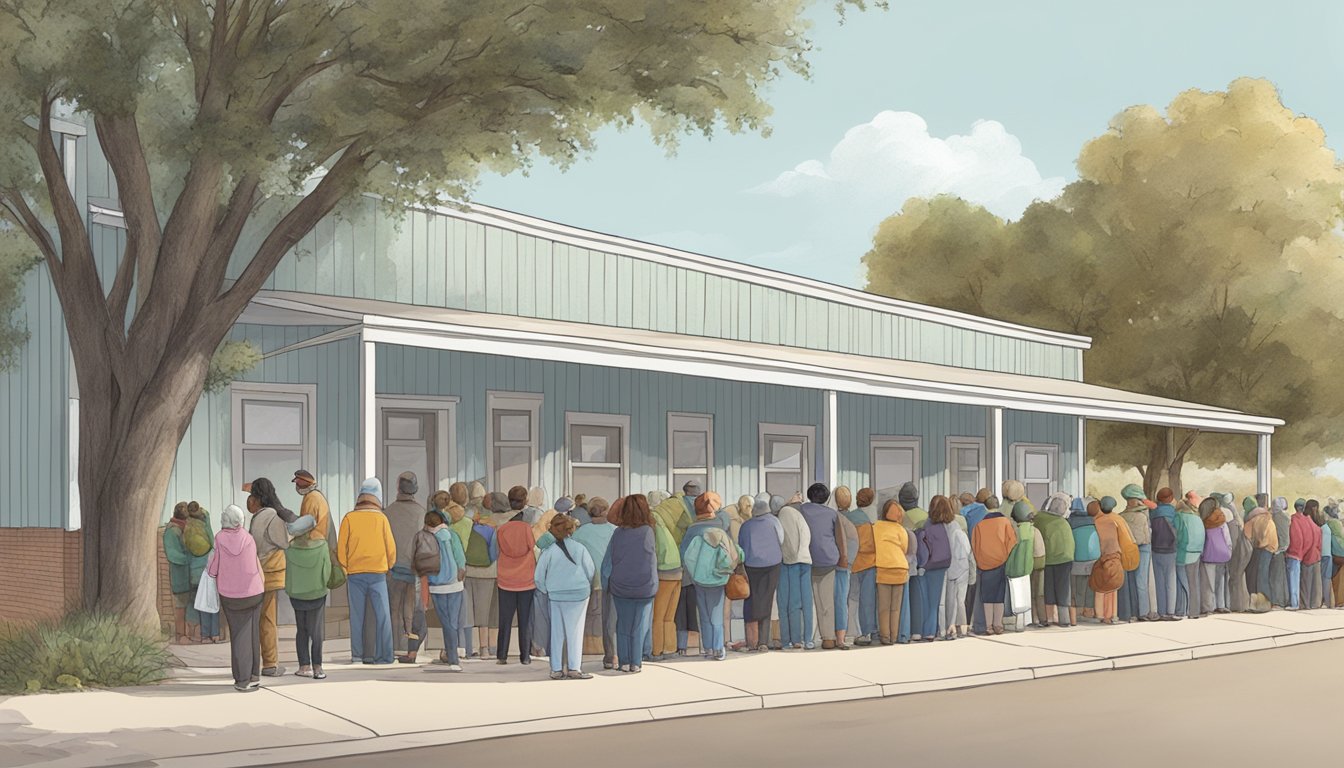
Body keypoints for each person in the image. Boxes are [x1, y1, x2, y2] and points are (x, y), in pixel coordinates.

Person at [207, 505, 265, 692]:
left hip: (230, 595)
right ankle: (254, 674)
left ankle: (242, 679)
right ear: (240, 522)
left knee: (239, 634)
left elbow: (213, 569)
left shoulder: (219, 539)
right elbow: (253, 565)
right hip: (254, 591)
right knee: (253, 632)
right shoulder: (249, 538)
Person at [339, 478, 396, 665]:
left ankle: (357, 655)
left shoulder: (348, 518)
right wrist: (388, 566)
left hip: (355, 574)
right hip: (378, 573)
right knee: (383, 617)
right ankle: (385, 656)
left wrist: (346, 567)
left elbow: (341, 549)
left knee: (357, 617)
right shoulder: (382, 519)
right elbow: (391, 549)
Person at [683, 494, 744, 661]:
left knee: (703, 613)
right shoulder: (721, 529)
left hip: (698, 579)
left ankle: (708, 648)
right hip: (718, 579)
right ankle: (718, 648)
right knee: (716, 614)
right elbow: (736, 554)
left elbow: (685, 555)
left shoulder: (692, 530)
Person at [535, 514, 595, 679]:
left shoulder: (549, 551)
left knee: (557, 632)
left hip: (556, 595)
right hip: (579, 594)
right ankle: (574, 668)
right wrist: (586, 585)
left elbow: (539, 576)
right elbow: (590, 570)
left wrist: (546, 589)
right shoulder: (580, 548)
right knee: (575, 631)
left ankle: (556, 669)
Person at [603, 495, 658, 673]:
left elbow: (610, 559)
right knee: (639, 625)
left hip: (620, 584)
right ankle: (636, 662)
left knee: (623, 624)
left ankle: (624, 661)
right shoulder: (648, 531)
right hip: (644, 586)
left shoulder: (618, 533)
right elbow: (651, 560)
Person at [245, 478, 293, 676]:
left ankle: (253, 664)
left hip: (255, 572)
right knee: (268, 620)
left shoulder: (256, 518)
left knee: (256, 620)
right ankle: (270, 663)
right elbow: (283, 542)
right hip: (271, 573)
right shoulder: (273, 516)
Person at [799, 483, 850, 650]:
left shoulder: (802, 510)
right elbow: (840, 539)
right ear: (827, 497)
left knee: (809, 602)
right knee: (827, 602)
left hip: (808, 560)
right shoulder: (832, 514)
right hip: (829, 560)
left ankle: (808, 637)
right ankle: (828, 638)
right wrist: (843, 558)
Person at [384, 472, 427, 664]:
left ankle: (394, 646)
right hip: (414, 569)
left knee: (394, 608)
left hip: (393, 567)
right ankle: (410, 648)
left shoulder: (388, 512)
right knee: (411, 610)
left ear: (398, 487)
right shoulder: (421, 512)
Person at [285, 512, 332, 679]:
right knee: (316, 631)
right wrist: (323, 586)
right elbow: (327, 572)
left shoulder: (290, 549)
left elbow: (288, 573)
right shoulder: (322, 546)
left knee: (301, 630)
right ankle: (318, 667)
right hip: (317, 593)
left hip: (297, 594)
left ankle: (304, 666)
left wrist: (290, 589)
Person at [572, 497, 616, 668]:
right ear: (606, 510)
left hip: (587, 581)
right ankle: (611, 656)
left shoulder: (580, 533)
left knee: (585, 619)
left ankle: (581, 652)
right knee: (610, 621)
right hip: (611, 580)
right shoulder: (615, 530)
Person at [496, 485, 538, 665]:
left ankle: (502, 655)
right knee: (525, 618)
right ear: (525, 502)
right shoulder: (527, 528)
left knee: (504, 619)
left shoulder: (501, 528)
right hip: (526, 579)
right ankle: (525, 656)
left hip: (505, 578)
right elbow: (532, 548)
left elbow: (497, 549)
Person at [421, 507, 467, 671]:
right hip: (455, 585)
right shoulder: (452, 536)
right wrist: (461, 571)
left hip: (437, 586)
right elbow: (461, 558)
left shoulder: (427, 538)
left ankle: (452, 657)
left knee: (446, 622)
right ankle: (453, 658)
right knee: (453, 622)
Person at [739, 493, 784, 652]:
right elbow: (781, 539)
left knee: (752, 599)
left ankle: (751, 641)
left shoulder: (746, 526)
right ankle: (763, 642)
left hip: (752, 565)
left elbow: (741, 547)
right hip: (772, 564)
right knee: (767, 599)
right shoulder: (774, 521)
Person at [972, 498, 1018, 635]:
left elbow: (974, 545)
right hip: (1000, 563)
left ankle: (988, 626)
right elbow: (1012, 541)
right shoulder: (1004, 522)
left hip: (984, 564)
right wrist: (1004, 555)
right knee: (999, 595)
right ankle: (998, 624)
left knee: (986, 596)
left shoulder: (979, 525)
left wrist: (980, 559)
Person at [647, 492, 684, 660]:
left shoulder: (652, 519)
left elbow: (652, 548)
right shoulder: (669, 518)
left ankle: (656, 650)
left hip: (663, 570)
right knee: (669, 616)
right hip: (677, 568)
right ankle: (670, 648)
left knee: (658, 615)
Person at [442, 484, 477, 658]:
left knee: (448, 610)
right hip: (463, 568)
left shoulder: (443, 520)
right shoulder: (469, 522)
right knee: (464, 609)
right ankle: (466, 646)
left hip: (444, 568)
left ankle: (451, 646)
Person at [777, 492, 813, 649]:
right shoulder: (802, 514)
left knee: (790, 603)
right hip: (805, 559)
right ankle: (808, 639)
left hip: (791, 562)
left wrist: (789, 558)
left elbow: (788, 539)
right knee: (806, 602)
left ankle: (791, 640)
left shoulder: (785, 513)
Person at [1090, 498, 1133, 625]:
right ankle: (1111, 614)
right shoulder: (1116, 520)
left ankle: (1099, 613)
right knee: (1112, 586)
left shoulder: (1095, 521)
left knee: (1099, 584)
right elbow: (1126, 539)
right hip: (1114, 556)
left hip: (1100, 557)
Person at [873, 500, 910, 645]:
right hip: (900, 568)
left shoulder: (876, 526)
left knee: (884, 607)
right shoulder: (901, 530)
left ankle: (885, 636)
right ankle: (894, 636)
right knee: (895, 608)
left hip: (883, 568)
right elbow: (905, 548)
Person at [1035, 492, 1075, 627]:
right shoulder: (1063, 523)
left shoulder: (1039, 518)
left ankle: (1049, 618)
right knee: (1063, 589)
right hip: (1065, 558)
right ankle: (1064, 619)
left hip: (1047, 559)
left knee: (1048, 589)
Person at [845, 487, 879, 645]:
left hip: (852, 564)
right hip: (869, 562)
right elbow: (869, 545)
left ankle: (851, 631)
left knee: (852, 599)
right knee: (868, 600)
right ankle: (867, 632)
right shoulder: (874, 518)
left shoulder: (850, 517)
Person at [922, 496, 958, 640]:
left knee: (933, 601)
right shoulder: (954, 525)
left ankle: (932, 630)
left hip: (933, 565)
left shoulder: (927, 524)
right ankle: (950, 628)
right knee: (951, 599)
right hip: (952, 565)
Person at [1117, 485, 1154, 622]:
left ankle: (1132, 611)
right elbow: (1147, 537)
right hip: (1143, 548)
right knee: (1141, 581)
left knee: (1130, 580)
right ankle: (1143, 612)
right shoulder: (1144, 516)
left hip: (1127, 549)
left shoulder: (1121, 516)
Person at [186, 502, 220, 642]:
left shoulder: (188, 529)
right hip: (208, 571)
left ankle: (205, 635)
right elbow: (212, 542)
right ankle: (215, 634)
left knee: (201, 603)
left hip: (195, 572)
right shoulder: (204, 527)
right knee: (212, 602)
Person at [164, 502, 198, 644]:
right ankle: (180, 635)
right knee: (180, 606)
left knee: (190, 605)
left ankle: (190, 634)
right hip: (180, 576)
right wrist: (189, 558)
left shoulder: (184, 529)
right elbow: (172, 554)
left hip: (189, 575)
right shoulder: (172, 531)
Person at [897, 483, 927, 640]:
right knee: (920, 598)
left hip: (904, 562)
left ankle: (905, 631)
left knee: (904, 599)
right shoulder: (925, 515)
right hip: (925, 561)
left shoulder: (901, 518)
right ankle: (919, 630)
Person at [942, 496, 973, 640]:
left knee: (950, 599)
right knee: (961, 598)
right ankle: (963, 627)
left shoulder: (943, 525)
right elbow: (967, 547)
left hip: (949, 566)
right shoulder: (960, 523)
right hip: (962, 565)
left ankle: (950, 625)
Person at [1198, 496, 1231, 615]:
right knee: (1220, 581)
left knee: (1209, 583)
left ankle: (1209, 607)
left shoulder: (1204, 521)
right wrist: (1228, 551)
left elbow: (1202, 539)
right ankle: (1220, 605)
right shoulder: (1222, 519)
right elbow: (1227, 539)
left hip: (1209, 554)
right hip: (1223, 554)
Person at [1174, 493, 1206, 619]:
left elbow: (1178, 536)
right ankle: (1194, 611)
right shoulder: (1197, 518)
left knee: (1182, 582)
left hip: (1183, 553)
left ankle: (1182, 610)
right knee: (1194, 582)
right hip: (1197, 552)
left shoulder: (1179, 517)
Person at [1069, 497, 1099, 624]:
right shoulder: (1093, 521)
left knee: (1078, 586)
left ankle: (1079, 611)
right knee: (1091, 586)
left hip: (1077, 558)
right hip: (1093, 557)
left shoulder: (1069, 522)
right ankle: (1089, 610)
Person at [1150, 488, 1180, 621]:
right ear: (1171, 497)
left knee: (1159, 582)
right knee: (1171, 581)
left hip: (1156, 549)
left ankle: (1161, 611)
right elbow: (1178, 531)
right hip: (1171, 549)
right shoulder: (1174, 512)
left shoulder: (1153, 512)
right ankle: (1171, 611)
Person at [1222, 493, 1252, 613]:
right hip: (1240, 553)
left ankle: (1234, 604)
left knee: (1233, 578)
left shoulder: (1229, 523)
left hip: (1233, 553)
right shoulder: (1238, 519)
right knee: (1239, 578)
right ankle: (1240, 604)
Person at [1244, 498, 1277, 607]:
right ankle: (1267, 601)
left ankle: (1261, 602)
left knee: (1258, 576)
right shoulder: (1268, 517)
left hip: (1260, 549)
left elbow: (1246, 536)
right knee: (1264, 575)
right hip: (1271, 549)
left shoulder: (1252, 519)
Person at [1288, 499, 1320, 610]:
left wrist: (1299, 552)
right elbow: (1310, 539)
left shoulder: (1294, 519)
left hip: (1295, 554)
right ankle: (1301, 604)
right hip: (1306, 554)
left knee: (1294, 579)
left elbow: (1298, 539)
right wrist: (1304, 552)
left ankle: (1295, 603)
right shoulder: (1308, 521)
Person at [292, 469, 330, 541]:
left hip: (314, 540)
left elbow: (306, 524)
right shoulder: (313, 495)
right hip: (317, 539)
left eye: (297, 482)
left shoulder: (312, 497)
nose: (296, 486)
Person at [1269, 497, 1292, 607]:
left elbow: (1284, 537)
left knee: (1277, 577)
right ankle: (1281, 600)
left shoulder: (1280, 517)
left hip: (1277, 551)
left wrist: (1279, 549)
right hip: (1278, 550)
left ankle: (1278, 601)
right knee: (1279, 576)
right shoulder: (1281, 516)